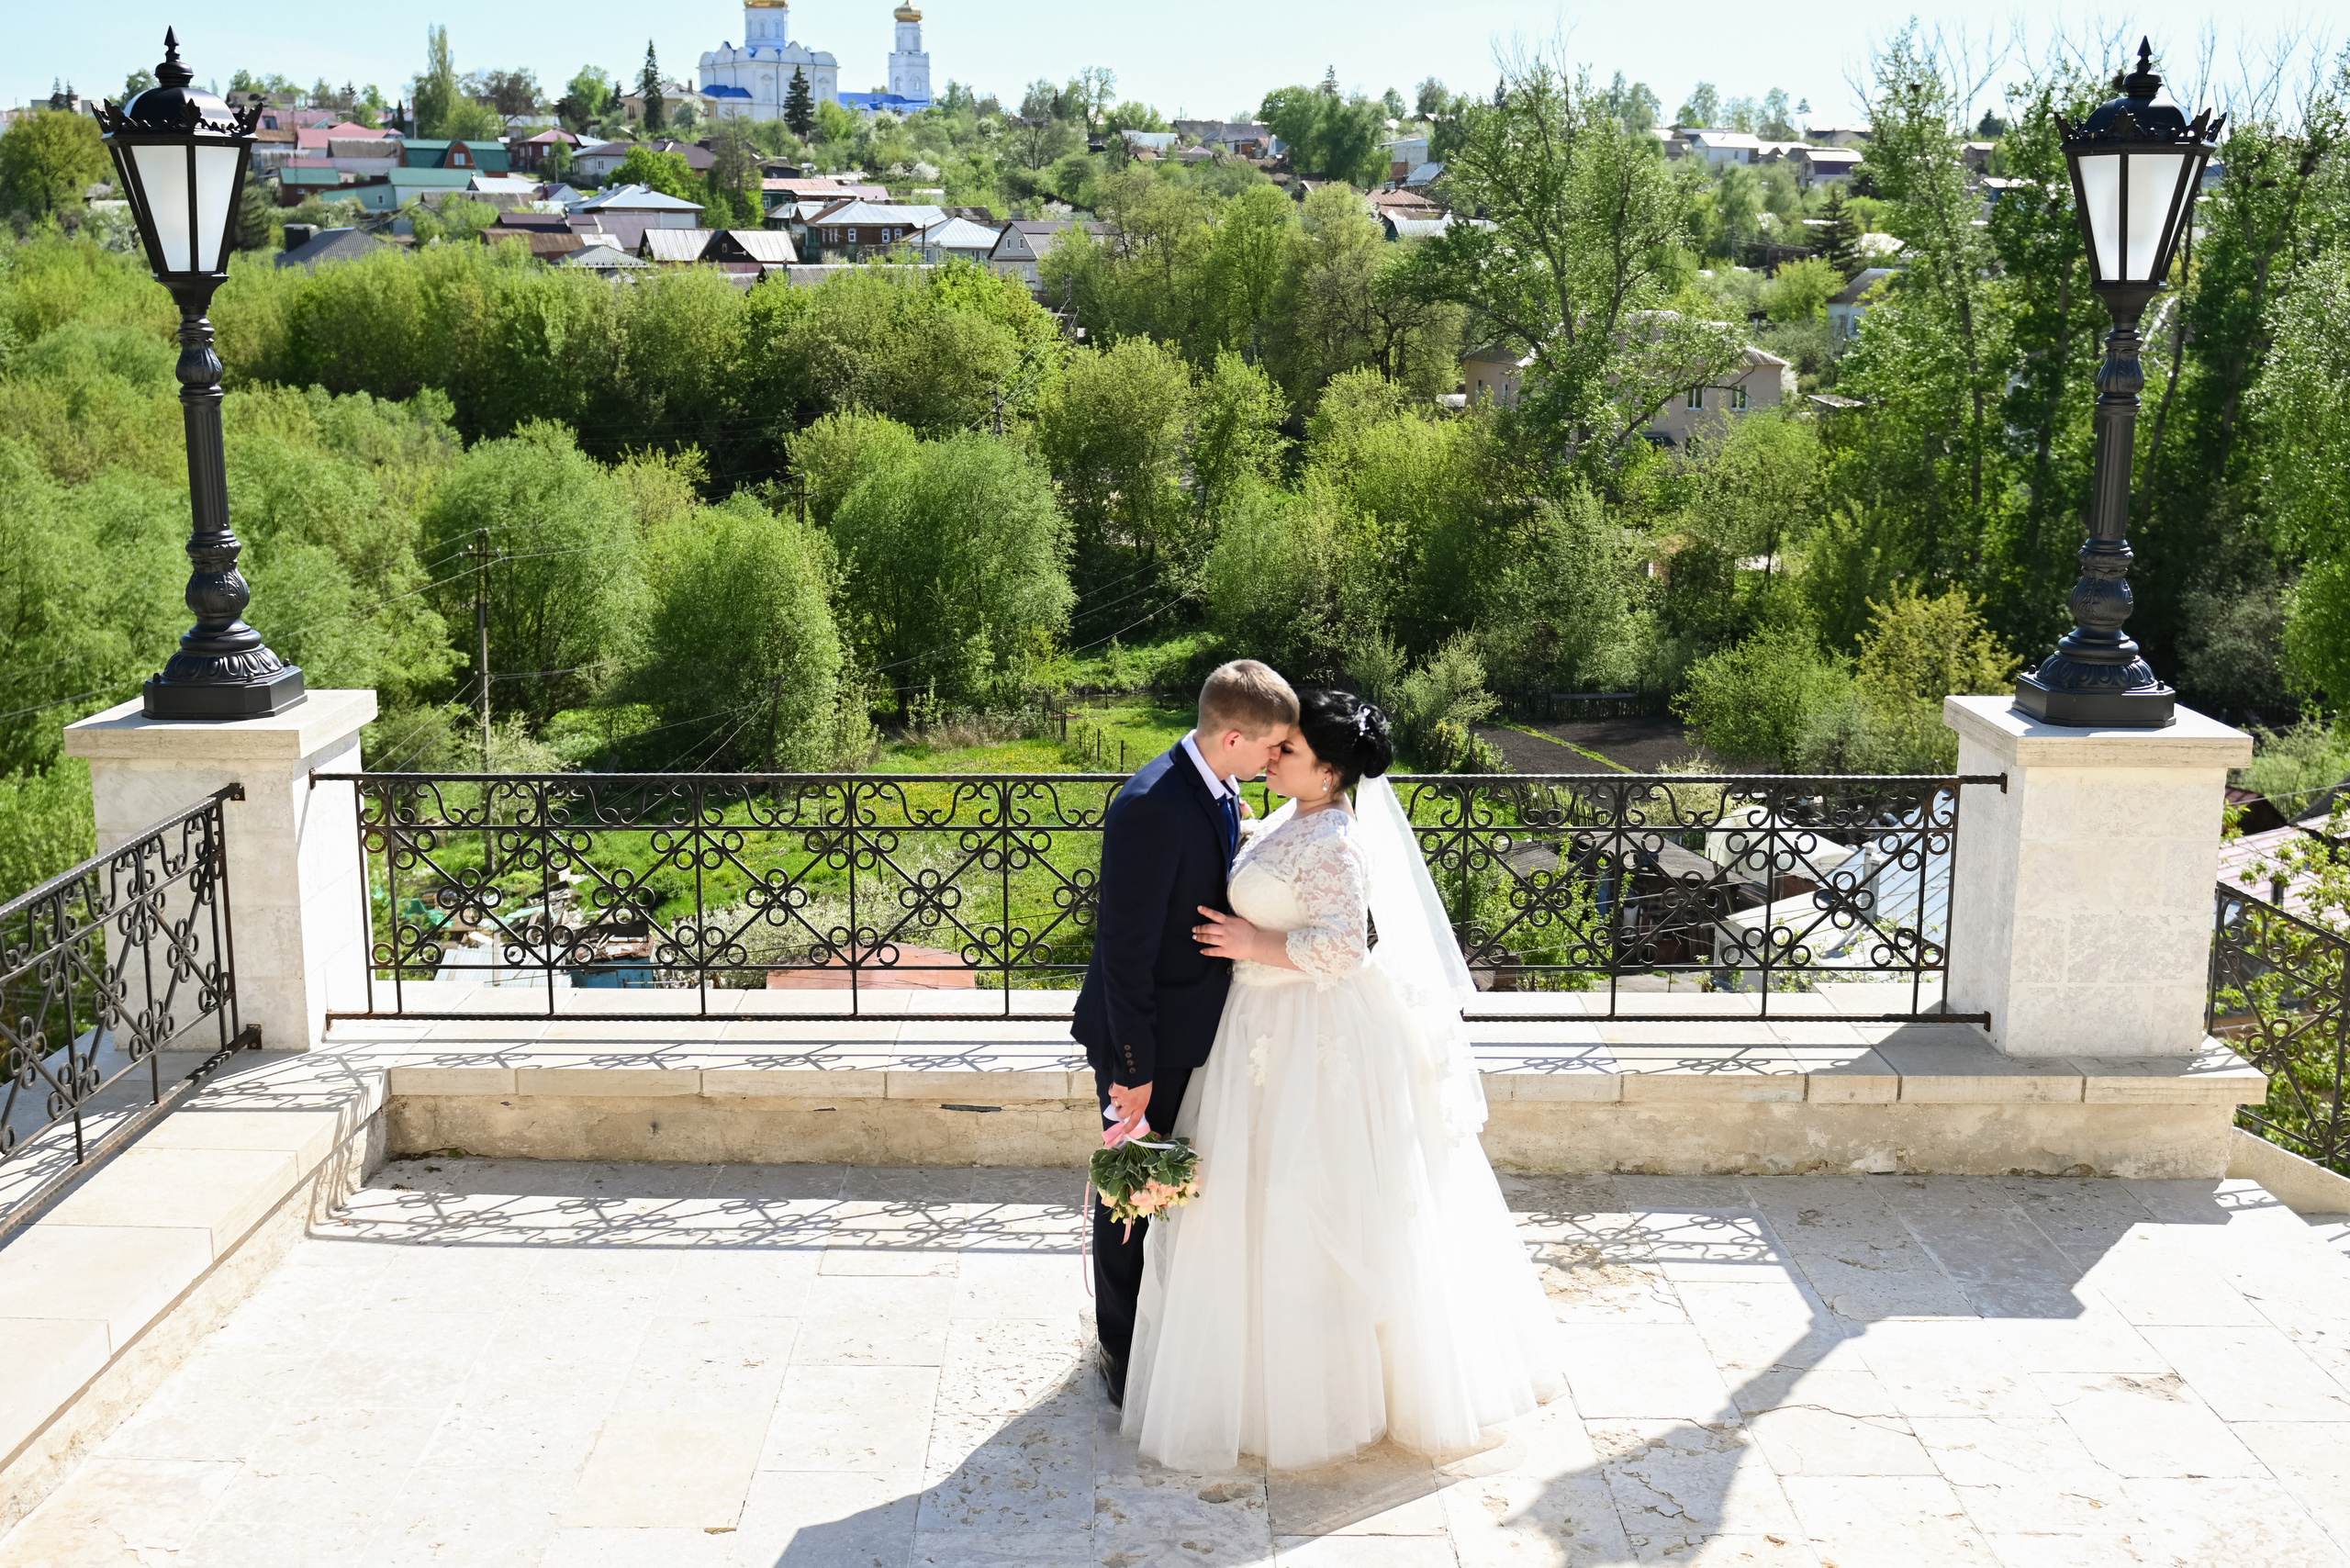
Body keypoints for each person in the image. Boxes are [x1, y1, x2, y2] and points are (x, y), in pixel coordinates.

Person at [1119, 689, 1562, 1471]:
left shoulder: (1336, 842)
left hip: (1309, 1034)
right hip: (1257, 1028)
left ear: (1327, 771)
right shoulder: (1293, 817)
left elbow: (1344, 949)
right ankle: (1251, 1367)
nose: (1272, 755)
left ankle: (1324, 1388)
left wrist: (1253, 943)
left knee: (1308, 1196)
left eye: (1287, 749)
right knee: (1252, 1198)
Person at [1072, 659, 1299, 1409]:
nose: (1277, 757)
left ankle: (1158, 1336)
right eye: (1270, 746)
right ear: (1233, 739)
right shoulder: (1151, 805)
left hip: (1191, 1032)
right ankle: (1120, 1351)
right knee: (1132, 1196)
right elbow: (1124, 951)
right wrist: (1132, 1068)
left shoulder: (1217, 787)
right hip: (1145, 1041)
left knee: (1167, 1190)